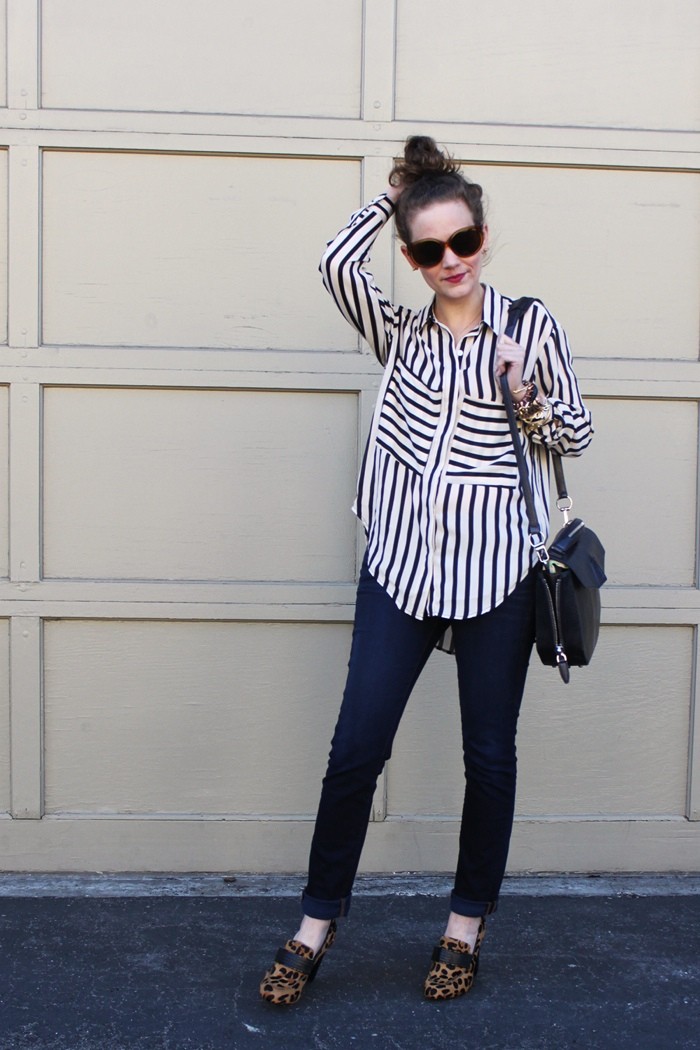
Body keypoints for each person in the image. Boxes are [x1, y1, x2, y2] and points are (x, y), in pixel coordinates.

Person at [259, 136, 593, 1004]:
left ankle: (464, 927)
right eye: (429, 248)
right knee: (355, 750)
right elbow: (334, 265)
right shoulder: (400, 332)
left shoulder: (530, 325)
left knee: (489, 756)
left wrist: (525, 392)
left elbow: (578, 436)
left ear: (484, 235)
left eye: (463, 240)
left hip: (497, 573)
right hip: (403, 565)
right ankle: (316, 923)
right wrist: (400, 195)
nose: (451, 260)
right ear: (411, 256)